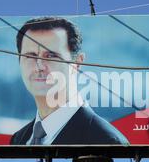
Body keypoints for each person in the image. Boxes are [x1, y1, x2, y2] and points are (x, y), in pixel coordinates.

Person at [10, 16, 129, 145]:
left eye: (51, 56)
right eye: (30, 56)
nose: (39, 66)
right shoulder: (19, 139)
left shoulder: (107, 141)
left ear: (77, 63)